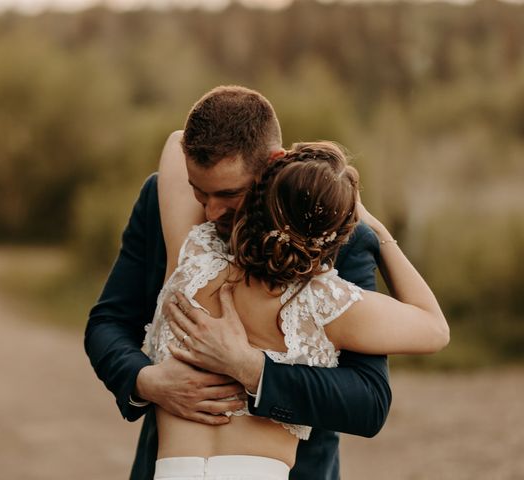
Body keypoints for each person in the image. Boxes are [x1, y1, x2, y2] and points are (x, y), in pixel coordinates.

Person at [84, 86, 391, 479]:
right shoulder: (162, 201)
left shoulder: (336, 236)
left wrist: (253, 371)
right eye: (200, 192)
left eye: (229, 194)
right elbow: (108, 322)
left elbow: (368, 401)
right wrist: (147, 380)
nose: (211, 211)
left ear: (273, 163)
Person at [144, 139, 449, 479]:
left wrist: (272, 160)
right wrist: (377, 230)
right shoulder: (323, 306)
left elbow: (178, 142)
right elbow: (436, 329)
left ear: (253, 202)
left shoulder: (191, 261)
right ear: (336, 235)